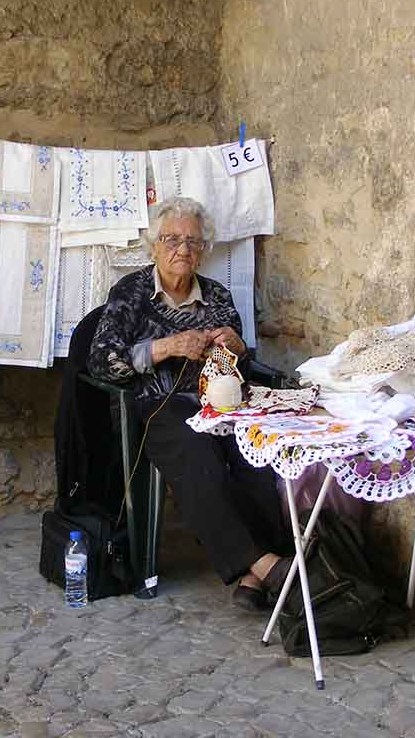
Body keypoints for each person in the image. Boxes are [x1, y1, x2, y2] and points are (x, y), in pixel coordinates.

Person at [88, 196, 292, 610]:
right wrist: (166, 347)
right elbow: (101, 361)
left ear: (204, 250)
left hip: (218, 404)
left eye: (193, 243)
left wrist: (236, 348)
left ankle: (257, 578)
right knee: (199, 458)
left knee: (254, 454)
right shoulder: (131, 292)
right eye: (172, 240)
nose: (183, 250)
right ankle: (265, 565)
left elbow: (237, 364)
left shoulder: (216, 296)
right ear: (154, 246)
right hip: (157, 406)